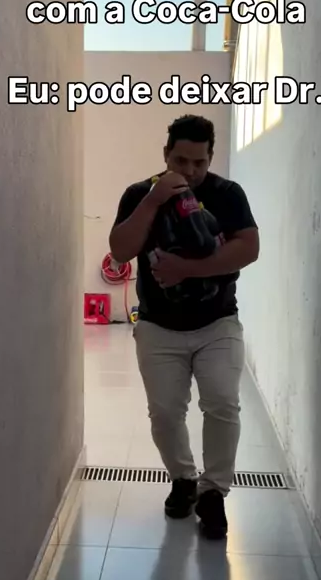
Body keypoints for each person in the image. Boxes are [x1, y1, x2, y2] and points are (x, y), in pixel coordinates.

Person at [109, 114, 259, 539]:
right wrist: (153, 201)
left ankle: (214, 493)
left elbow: (249, 248)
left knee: (223, 403)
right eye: (181, 161)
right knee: (164, 413)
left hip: (218, 323)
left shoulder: (227, 194)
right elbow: (120, 250)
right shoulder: (139, 194)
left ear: (210, 157)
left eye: (199, 162)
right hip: (158, 326)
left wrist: (186, 269)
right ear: (166, 154)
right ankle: (183, 479)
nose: (190, 171)